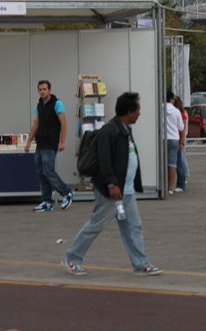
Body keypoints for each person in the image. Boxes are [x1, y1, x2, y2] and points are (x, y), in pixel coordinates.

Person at [60, 92, 162, 276]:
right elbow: (104, 161)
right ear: (129, 112)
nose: (140, 113)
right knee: (96, 225)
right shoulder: (110, 131)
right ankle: (71, 258)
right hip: (111, 192)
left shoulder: (125, 131)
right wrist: (111, 185)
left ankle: (141, 264)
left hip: (126, 192)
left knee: (132, 227)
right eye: (138, 110)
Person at [24, 80, 74, 212]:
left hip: (50, 143)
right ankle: (46, 201)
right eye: (40, 89)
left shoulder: (57, 103)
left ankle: (67, 192)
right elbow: (36, 124)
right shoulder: (39, 105)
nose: (42, 91)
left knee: (48, 171)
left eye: (44, 89)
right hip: (40, 144)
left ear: (49, 90)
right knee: (41, 173)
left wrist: (63, 140)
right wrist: (29, 141)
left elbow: (63, 122)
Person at [165, 91, 185, 194]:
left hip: (162, 139)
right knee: (172, 164)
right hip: (174, 139)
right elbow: (181, 127)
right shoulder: (176, 111)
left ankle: (162, 185)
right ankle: (170, 188)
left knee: (162, 163)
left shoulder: (159, 109)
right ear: (172, 99)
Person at [173, 96, 190, 192]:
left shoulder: (181, 114)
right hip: (179, 138)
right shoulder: (182, 113)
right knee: (180, 160)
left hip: (180, 139)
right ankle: (183, 178)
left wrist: (182, 142)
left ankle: (183, 180)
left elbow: (183, 129)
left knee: (180, 160)